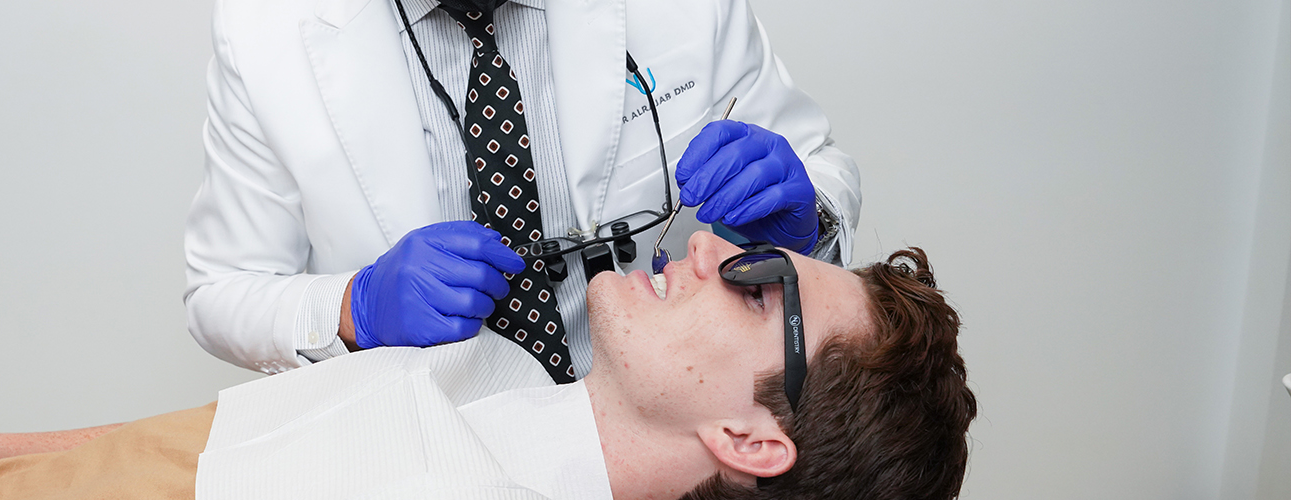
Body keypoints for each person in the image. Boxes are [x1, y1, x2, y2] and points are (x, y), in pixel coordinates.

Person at [0, 232, 973, 500]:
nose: (712, 245)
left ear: (763, 443)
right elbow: (207, 439)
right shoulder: (488, 383)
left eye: (760, 278)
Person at [184, 0, 865, 384]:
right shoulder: (263, 30)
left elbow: (817, 166)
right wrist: (353, 306)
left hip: (666, 414)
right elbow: (220, 291)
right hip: (431, 438)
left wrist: (807, 227)